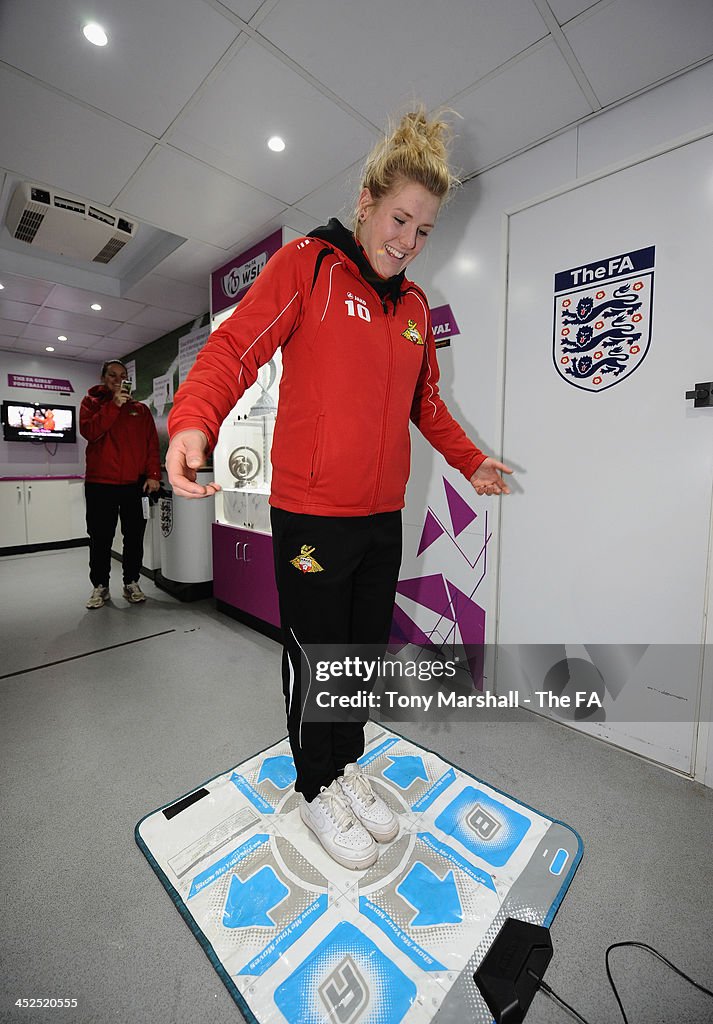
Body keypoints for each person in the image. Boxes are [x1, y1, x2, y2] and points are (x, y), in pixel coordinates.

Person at [166, 108, 512, 869]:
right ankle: (314, 783)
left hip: (380, 516)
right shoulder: (309, 267)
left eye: (422, 230)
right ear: (365, 201)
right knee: (314, 653)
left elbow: (425, 403)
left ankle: (346, 766)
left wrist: (467, 461)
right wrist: (193, 419)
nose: (407, 240)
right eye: (398, 218)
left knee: (355, 653)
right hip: (313, 516)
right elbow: (234, 347)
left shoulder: (415, 310)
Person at [80, 360, 161, 609]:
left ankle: (131, 582)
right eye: (112, 375)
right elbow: (91, 432)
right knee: (100, 538)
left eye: (123, 376)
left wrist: (153, 475)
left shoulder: (141, 410)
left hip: (133, 485)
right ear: (104, 378)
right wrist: (114, 406)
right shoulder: (91, 404)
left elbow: (151, 445)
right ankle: (100, 586)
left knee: (134, 537)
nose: (118, 379)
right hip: (100, 484)